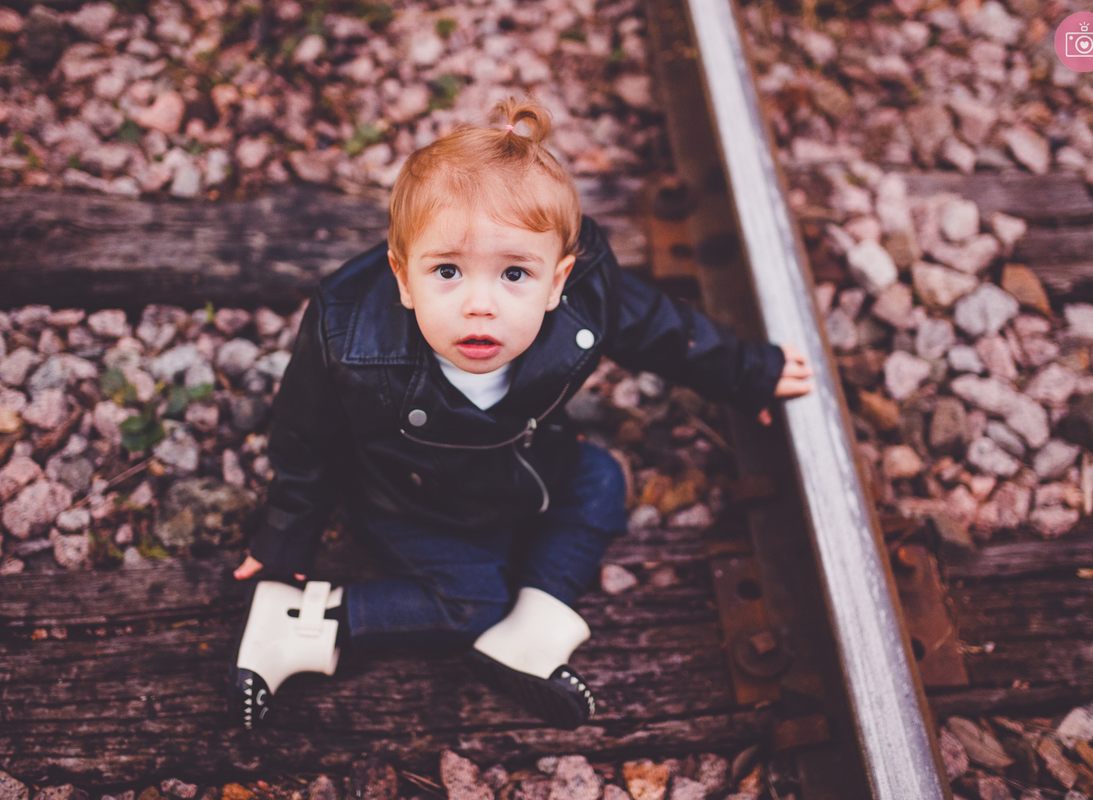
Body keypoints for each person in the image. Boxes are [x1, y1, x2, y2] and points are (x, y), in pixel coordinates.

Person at [228, 98, 814, 731]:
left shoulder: (586, 292)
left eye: (514, 274)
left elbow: (657, 327)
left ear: (558, 280)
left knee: (602, 480)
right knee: (470, 602)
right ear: (403, 277)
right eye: (447, 271)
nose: (481, 305)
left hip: (529, 465)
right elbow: (303, 435)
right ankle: (304, 622)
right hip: (412, 499)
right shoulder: (349, 335)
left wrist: (747, 374)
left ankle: (532, 628)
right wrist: (287, 537)